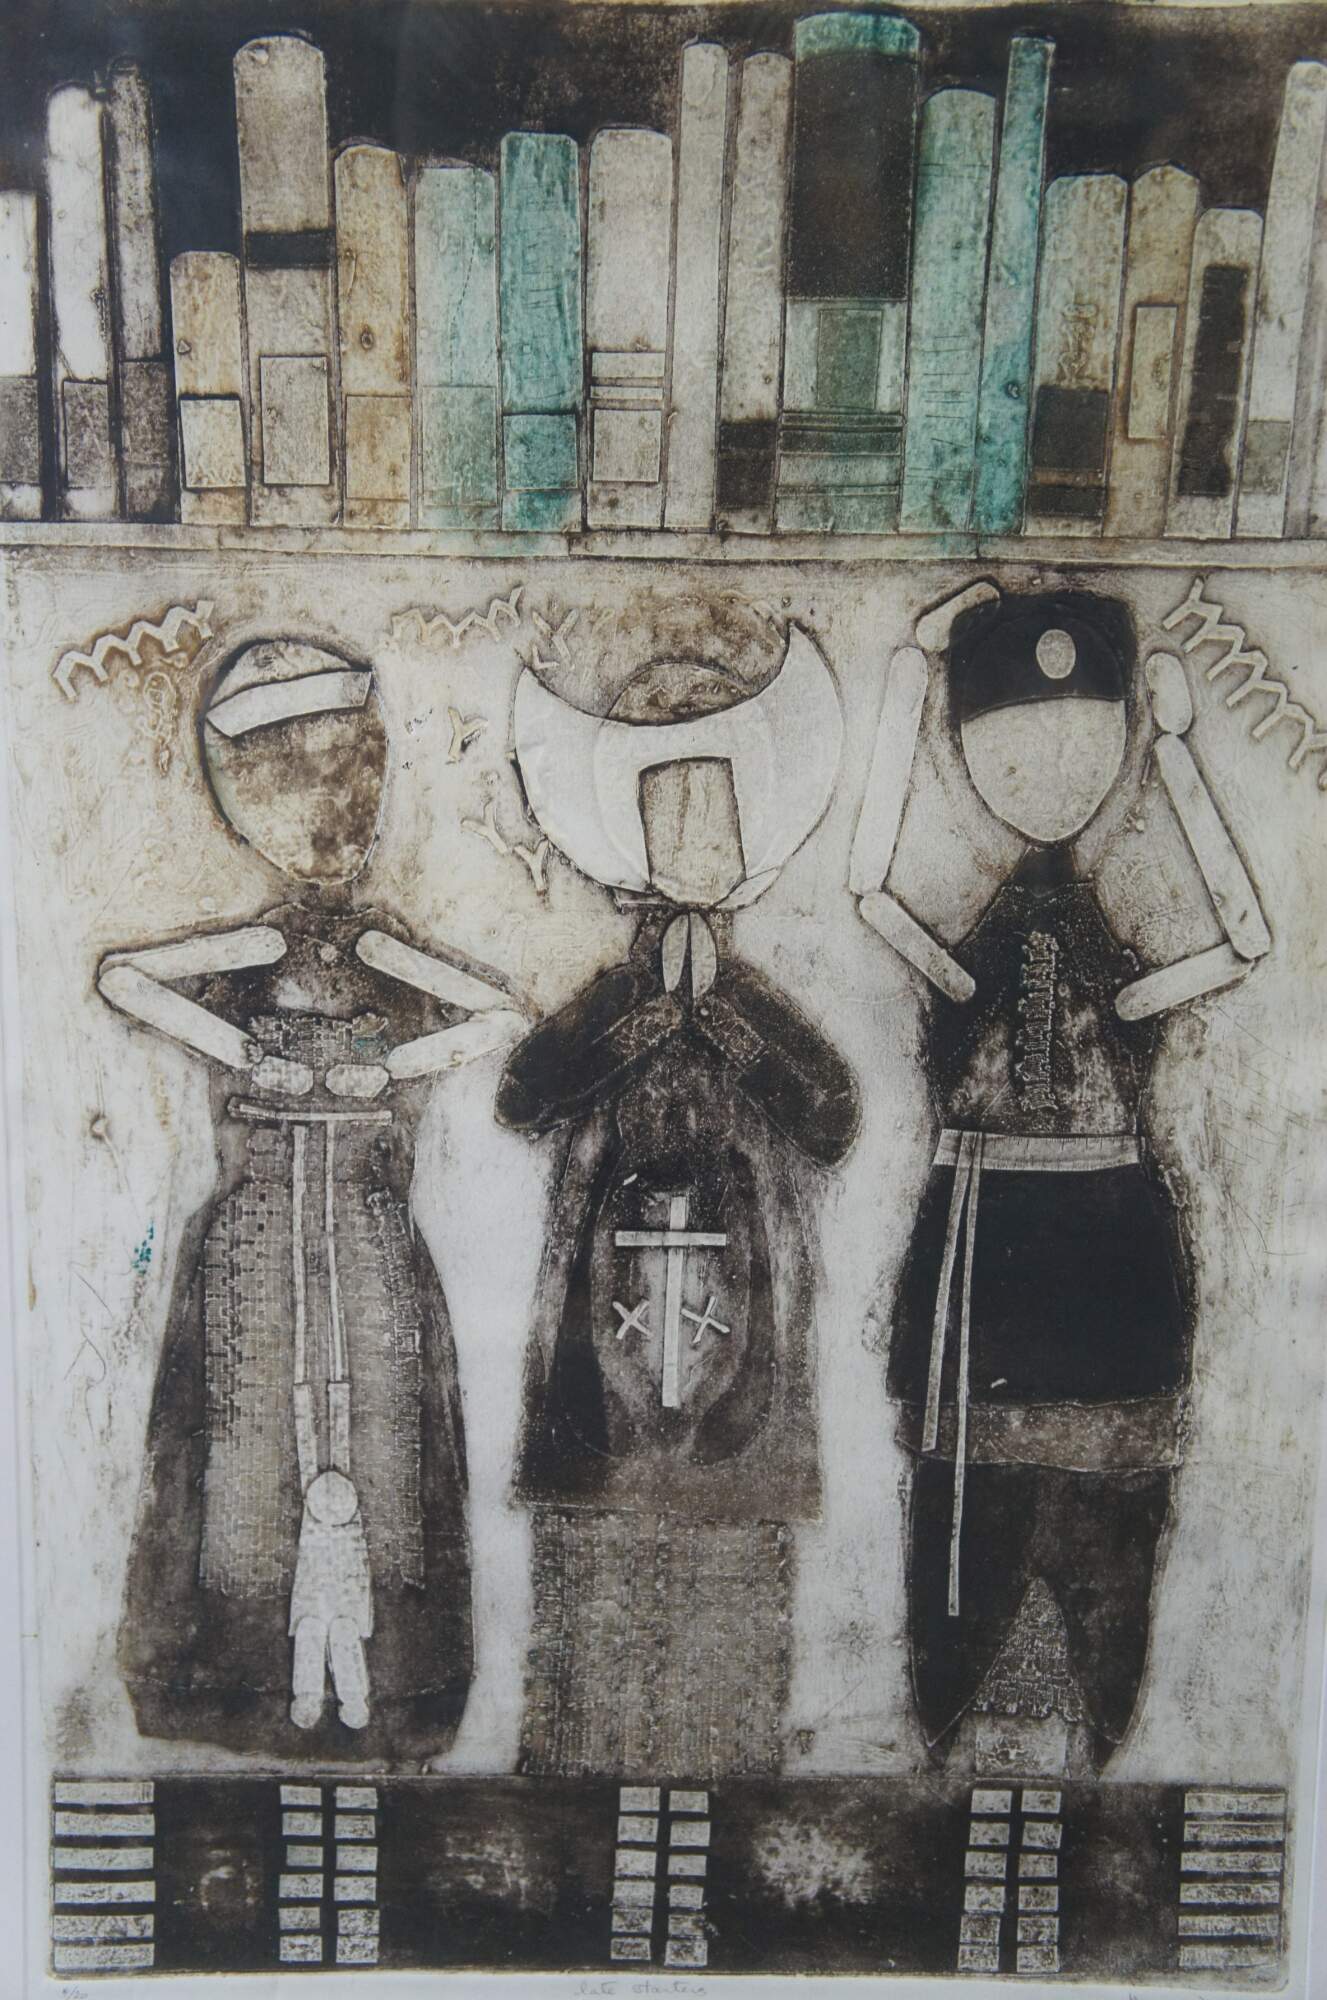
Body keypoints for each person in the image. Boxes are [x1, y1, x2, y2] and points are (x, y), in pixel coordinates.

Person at [853, 587, 1270, 1770]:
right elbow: (869, 894)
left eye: (1080, 749)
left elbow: (1242, 941)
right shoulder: (981, 948)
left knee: (1111, 1494)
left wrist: (1179, 752)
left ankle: (1094, 1736)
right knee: (965, 1512)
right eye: (1015, 756)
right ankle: (961, 1727)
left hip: (1106, 1230)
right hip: (982, 1228)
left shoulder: (1099, 943)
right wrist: (906, 674)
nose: (1048, 780)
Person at [101, 637, 524, 1759]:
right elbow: (123, 977)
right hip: (255, 1241)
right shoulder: (261, 942)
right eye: (299, 799)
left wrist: (388, 1072)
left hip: (368, 1236)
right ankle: (239, 1682)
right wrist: (243, 1049)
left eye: (344, 792)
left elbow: (499, 1014)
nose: (330, 826)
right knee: (240, 1455)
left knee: (385, 1450)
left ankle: (393, 1689)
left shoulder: (379, 947)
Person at [497, 629, 860, 1776]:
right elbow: (524, 1093)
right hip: (597, 1330)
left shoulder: (752, 1003)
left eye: (719, 808)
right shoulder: (610, 999)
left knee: (729, 1564)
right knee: (597, 1564)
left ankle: (728, 1784)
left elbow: (830, 1115)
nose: (697, 832)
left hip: (742, 1333)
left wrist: (726, 1027)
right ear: (632, 832)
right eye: (673, 807)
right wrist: (643, 1022)